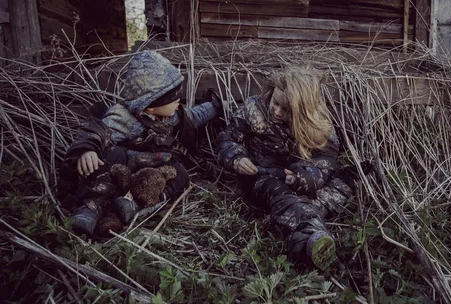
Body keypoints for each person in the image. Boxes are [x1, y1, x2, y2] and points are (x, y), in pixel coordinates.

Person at [62, 50, 222, 236]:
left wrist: (214, 106)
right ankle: (91, 207)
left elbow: (195, 116)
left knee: (180, 174)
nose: (179, 103)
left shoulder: (169, 116)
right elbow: (96, 131)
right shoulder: (122, 118)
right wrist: (88, 150)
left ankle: (137, 206)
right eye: (173, 99)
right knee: (112, 155)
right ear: (151, 105)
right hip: (122, 172)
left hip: (149, 175)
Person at [217, 65, 357, 269]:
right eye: (275, 103)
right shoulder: (254, 109)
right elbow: (228, 137)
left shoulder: (318, 125)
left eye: (287, 110)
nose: (277, 111)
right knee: (279, 193)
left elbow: (325, 163)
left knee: (334, 187)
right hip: (260, 176)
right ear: (272, 91)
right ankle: (308, 237)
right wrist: (236, 158)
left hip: (298, 180)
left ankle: (312, 228)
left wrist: (301, 178)